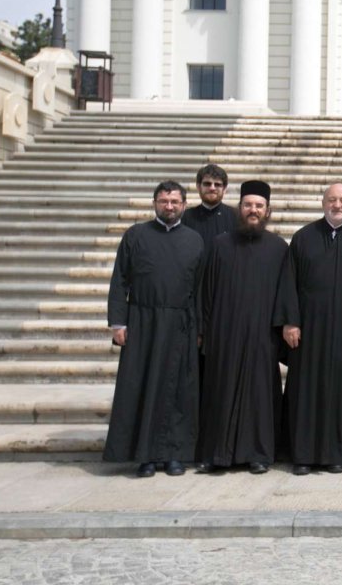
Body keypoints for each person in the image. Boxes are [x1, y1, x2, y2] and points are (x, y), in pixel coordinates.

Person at [103, 181, 203, 477]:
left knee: (177, 391)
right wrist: (118, 322)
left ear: (184, 205)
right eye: (163, 201)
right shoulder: (135, 236)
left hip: (181, 324)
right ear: (155, 203)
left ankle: (174, 455)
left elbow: (200, 288)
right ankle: (145, 456)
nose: (169, 206)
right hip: (143, 322)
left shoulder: (195, 240)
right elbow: (120, 280)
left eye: (174, 201)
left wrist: (200, 328)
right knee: (142, 388)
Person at [276, 183, 342, 475]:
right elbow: (289, 281)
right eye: (332, 200)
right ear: (323, 202)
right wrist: (291, 321)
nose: (337, 205)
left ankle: (336, 454)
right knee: (306, 390)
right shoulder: (303, 237)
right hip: (309, 330)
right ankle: (303, 455)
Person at [197, 180, 287, 475]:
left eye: (259, 206)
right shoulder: (221, 244)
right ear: (239, 208)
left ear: (268, 210)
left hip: (262, 335)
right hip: (224, 333)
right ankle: (216, 454)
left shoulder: (278, 247)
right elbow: (206, 291)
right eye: (248, 205)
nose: (253, 210)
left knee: (260, 395)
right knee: (219, 391)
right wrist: (205, 330)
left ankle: (259, 454)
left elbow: (286, 294)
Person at [181, 163, 237, 257]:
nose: (212, 188)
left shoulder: (236, 216)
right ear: (198, 187)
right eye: (207, 184)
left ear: (224, 189)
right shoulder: (185, 217)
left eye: (217, 184)